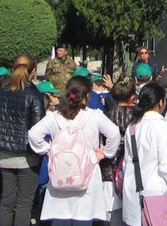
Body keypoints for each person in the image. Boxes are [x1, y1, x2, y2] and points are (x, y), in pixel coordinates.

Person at [29, 74, 121, 224]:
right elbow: (114, 133)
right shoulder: (94, 116)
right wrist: (105, 153)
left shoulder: (54, 116)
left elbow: (33, 134)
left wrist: (47, 150)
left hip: (60, 178)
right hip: (88, 177)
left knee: (60, 219)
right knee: (84, 218)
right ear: (88, 95)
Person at [122, 83, 167, 225]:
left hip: (132, 194)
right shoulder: (162, 126)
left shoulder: (133, 126)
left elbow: (126, 163)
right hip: (156, 196)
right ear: (161, 102)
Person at [0, 53, 45, 226]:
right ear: (33, 71)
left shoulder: (2, 92)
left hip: (4, 153)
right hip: (26, 154)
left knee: (7, 201)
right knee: (24, 203)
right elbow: (38, 127)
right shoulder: (34, 94)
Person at [101, 78, 140, 226]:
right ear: (133, 96)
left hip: (109, 169)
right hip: (132, 169)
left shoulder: (106, 115)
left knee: (111, 213)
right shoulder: (139, 116)